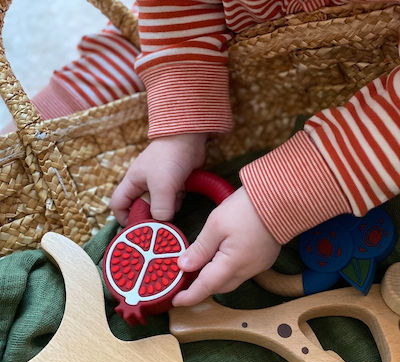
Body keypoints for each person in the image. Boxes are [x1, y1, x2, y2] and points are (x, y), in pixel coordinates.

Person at [3, 0, 399, 308]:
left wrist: (281, 200)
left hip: (380, 86)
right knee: (75, 100)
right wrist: (181, 119)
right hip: (206, 32)